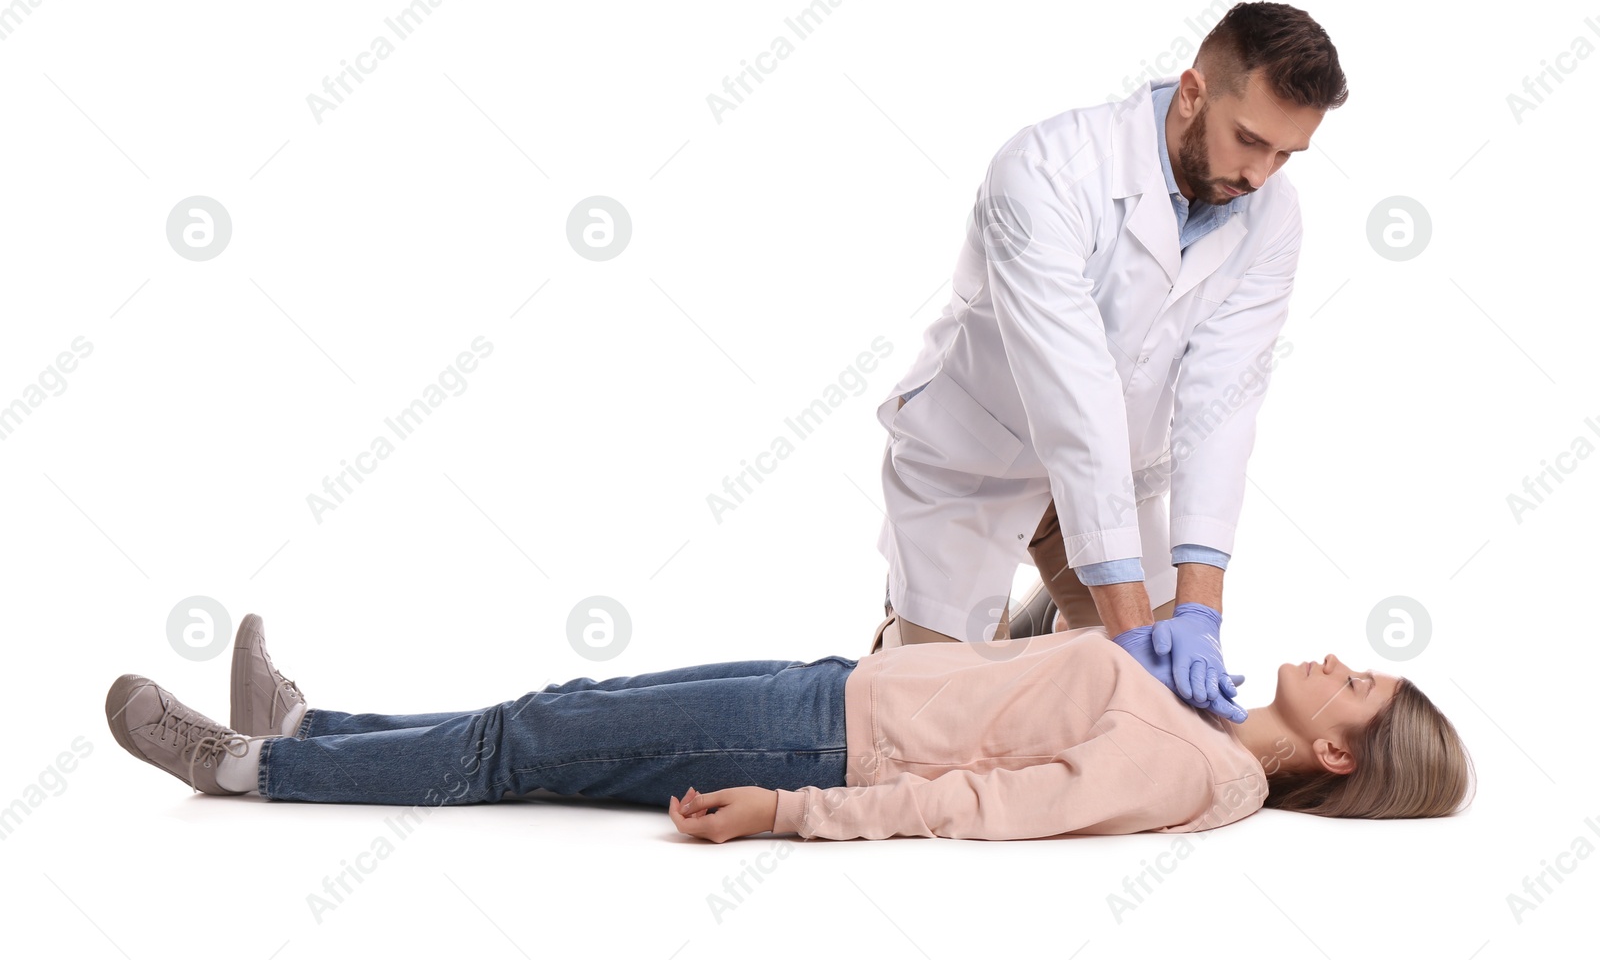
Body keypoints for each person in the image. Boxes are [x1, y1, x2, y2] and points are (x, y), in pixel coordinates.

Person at [870, 1, 1349, 728]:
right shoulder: (1044, 173)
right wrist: (1127, 633)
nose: (1260, 174)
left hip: (1112, 480)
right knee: (949, 725)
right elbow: (1076, 400)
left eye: (1286, 154)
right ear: (1193, 92)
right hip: (976, 460)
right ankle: (907, 639)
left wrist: (1198, 612)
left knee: (1170, 717)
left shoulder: (1272, 214)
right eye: (1248, 140)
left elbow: (1221, 409)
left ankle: (1051, 644)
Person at [105, 614, 1473, 842]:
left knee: (520, 750)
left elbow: (981, 805)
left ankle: (251, 768)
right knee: (554, 715)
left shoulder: (1197, 770)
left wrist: (787, 810)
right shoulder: (1206, 713)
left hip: (821, 746)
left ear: (1342, 752)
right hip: (835, 689)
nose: (1342, 662)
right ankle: (318, 723)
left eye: (1359, 685)